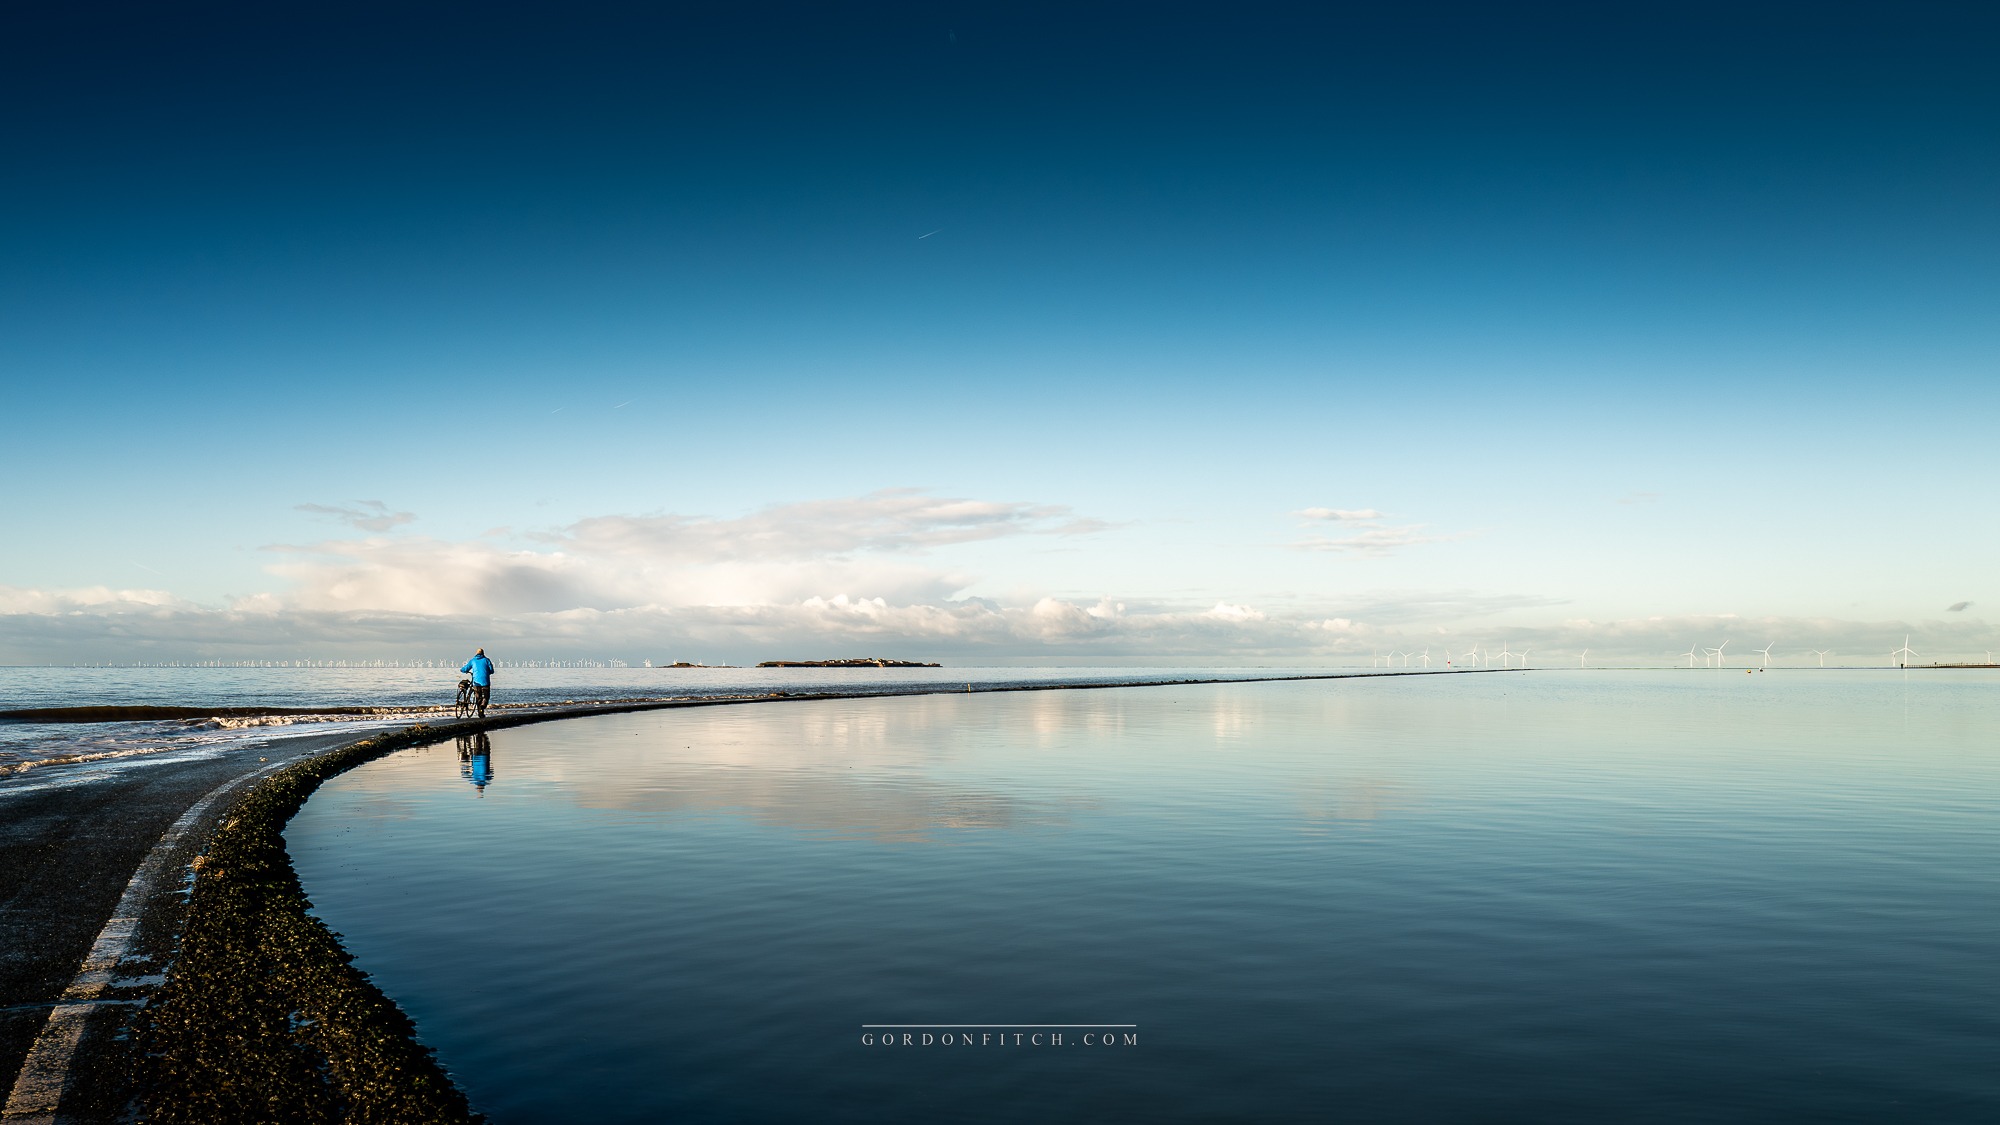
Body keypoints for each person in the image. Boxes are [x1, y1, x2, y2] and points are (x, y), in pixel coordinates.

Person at [459, 647, 495, 718]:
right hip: (485, 682)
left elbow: (465, 668)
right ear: (483, 653)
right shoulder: (487, 660)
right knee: (486, 697)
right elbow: (492, 671)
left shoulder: (473, 660)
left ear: (476, 653)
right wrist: (486, 672)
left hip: (476, 682)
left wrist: (462, 670)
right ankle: (482, 707)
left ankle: (480, 712)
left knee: (478, 697)